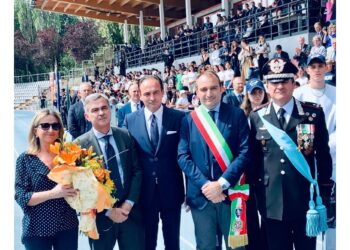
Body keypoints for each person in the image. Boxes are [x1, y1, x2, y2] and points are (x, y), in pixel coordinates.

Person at [249, 58, 333, 250]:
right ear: (267, 86)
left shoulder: (312, 115)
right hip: (271, 202)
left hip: (304, 200)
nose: (279, 86)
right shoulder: (256, 117)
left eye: (285, 80)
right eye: (274, 82)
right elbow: (253, 162)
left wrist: (325, 191)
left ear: (293, 83)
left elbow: (323, 156)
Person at [178, 71, 250, 250]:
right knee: (206, 246)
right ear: (196, 92)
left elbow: (245, 152)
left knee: (237, 247)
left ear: (222, 89)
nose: (208, 94)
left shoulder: (236, 115)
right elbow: (183, 157)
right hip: (201, 196)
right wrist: (207, 185)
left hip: (231, 194)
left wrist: (221, 184)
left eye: (213, 88)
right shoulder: (189, 120)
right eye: (203, 89)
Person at [124, 75, 185, 250]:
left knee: (173, 243)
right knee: (147, 242)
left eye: (156, 92)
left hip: (171, 190)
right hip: (144, 193)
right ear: (140, 96)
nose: (152, 98)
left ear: (163, 92)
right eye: (147, 93)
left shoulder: (178, 118)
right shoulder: (130, 120)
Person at [77, 93, 144, 250]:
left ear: (111, 110)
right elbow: (82, 189)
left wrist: (128, 204)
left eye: (104, 108)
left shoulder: (125, 135)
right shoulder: (79, 145)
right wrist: (108, 211)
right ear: (87, 116)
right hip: (100, 217)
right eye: (95, 110)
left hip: (130, 213)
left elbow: (137, 172)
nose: (101, 113)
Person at [15, 109, 79, 250]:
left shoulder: (69, 155)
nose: (50, 130)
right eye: (45, 125)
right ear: (35, 130)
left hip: (67, 225)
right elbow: (21, 197)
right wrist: (54, 193)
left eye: (55, 126)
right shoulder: (25, 160)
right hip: (37, 228)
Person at [293, 56, 336, 248]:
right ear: (307, 70)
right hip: (306, 156)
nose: (317, 69)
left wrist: (328, 144)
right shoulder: (299, 94)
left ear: (326, 68)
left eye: (320, 66)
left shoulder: (338, 93)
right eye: (313, 66)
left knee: (331, 212)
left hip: (334, 156)